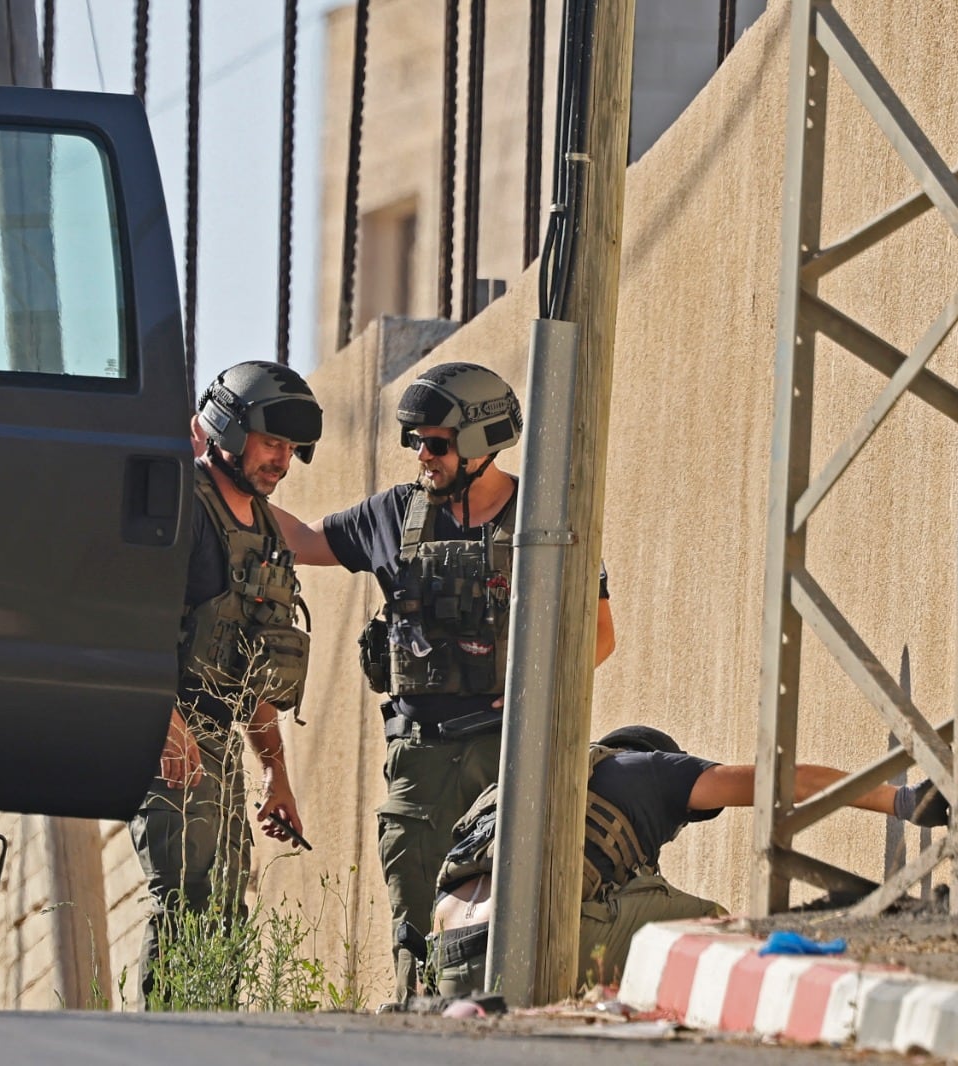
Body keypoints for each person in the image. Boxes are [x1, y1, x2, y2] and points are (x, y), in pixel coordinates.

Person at [272, 361, 616, 1004]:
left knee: (514, 921)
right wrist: (217, 481)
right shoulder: (395, 514)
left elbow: (599, 634)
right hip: (419, 762)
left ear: (481, 442)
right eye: (416, 442)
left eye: (436, 442)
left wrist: (526, 694)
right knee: (417, 930)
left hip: (509, 756)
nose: (421, 456)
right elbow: (302, 541)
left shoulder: (545, 520)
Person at [428, 724, 950, 995]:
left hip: (448, 956)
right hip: (524, 938)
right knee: (711, 934)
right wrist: (901, 801)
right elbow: (782, 780)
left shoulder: (537, 784)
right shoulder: (653, 772)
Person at [132, 360, 322, 1007]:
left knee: (226, 908)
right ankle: (159, 1044)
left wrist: (277, 774)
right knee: (185, 897)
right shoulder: (184, 507)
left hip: (220, 740)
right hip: (170, 728)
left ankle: (205, 1035)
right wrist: (163, 719)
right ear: (227, 430)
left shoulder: (267, 532)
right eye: (272, 442)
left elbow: (258, 668)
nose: (282, 461)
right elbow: (132, 620)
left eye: (291, 449)